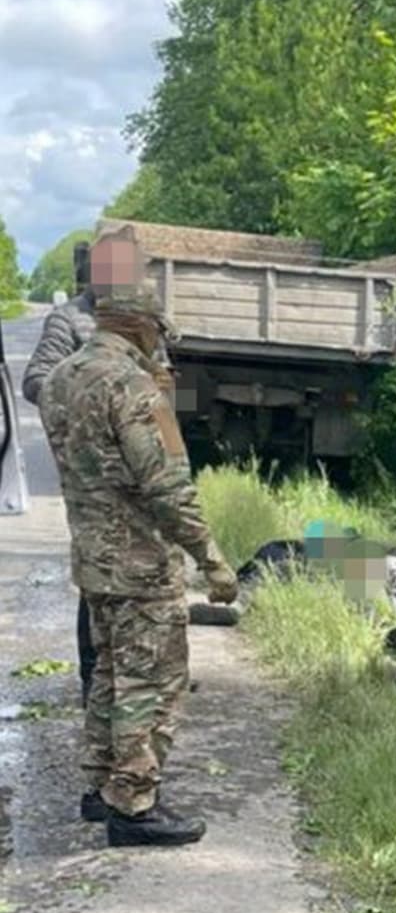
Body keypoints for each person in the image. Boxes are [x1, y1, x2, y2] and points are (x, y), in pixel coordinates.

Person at [38, 235, 238, 847]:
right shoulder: (134, 388)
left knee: (109, 677)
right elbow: (166, 486)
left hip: (92, 559)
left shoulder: (63, 378)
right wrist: (212, 560)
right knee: (153, 681)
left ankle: (100, 788)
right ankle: (134, 805)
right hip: (141, 564)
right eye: (159, 332)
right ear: (143, 325)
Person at [22, 240, 99, 704]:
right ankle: (93, 682)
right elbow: (35, 382)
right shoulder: (69, 319)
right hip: (90, 470)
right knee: (97, 575)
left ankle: (134, 679)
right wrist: (90, 396)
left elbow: (169, 391)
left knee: (145, 576)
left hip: (141, 467)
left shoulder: (143, 321)